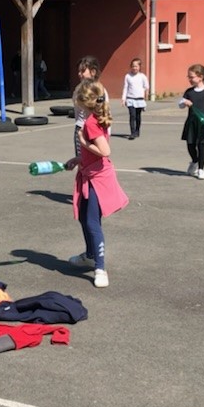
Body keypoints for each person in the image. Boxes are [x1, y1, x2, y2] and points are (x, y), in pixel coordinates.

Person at [67, 80, 128, 288]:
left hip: (98, 178)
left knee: (92, 222)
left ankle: (100, 268)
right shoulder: (94, 118)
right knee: (84, 218)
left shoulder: (91, 123)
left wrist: (83, 143)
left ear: (84, 102)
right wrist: (78, 159)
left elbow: (105, 151)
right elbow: (95, 154)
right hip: (88, 171)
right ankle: (90, 255)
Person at [178, 64, 204, 180]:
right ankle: (194, 161)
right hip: (191, 123)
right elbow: (180, 105)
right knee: (190, 145)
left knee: (201, 145)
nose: (190, 79)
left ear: (200, 77)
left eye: (192, 77)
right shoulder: (189, 92)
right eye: (188, 77)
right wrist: (184, 103)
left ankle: (201, 169)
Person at [66, 54, 104, 167]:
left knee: (95, 161)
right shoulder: (79, 88)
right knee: (82, 162)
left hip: (94, 128)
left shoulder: (99, 89)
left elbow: (104, 111)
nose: (79, 74)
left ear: (93, 72)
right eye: (79, 71)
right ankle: (84, 182)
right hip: (81, 127)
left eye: (83, 71)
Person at [121, 57, 150, 139]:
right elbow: (125, 88)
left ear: (139, 67)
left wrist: (144, 92)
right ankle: (132, 133)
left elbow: (146, 86)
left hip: (139, 100)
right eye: (133, 66)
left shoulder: (142, 76)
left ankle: (137, 131)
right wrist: (124, 99)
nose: (134, 68)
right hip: (130, 99)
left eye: (136, 66)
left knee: (138, 116)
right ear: (131, 66)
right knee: (132, 116)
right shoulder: (128, 76)